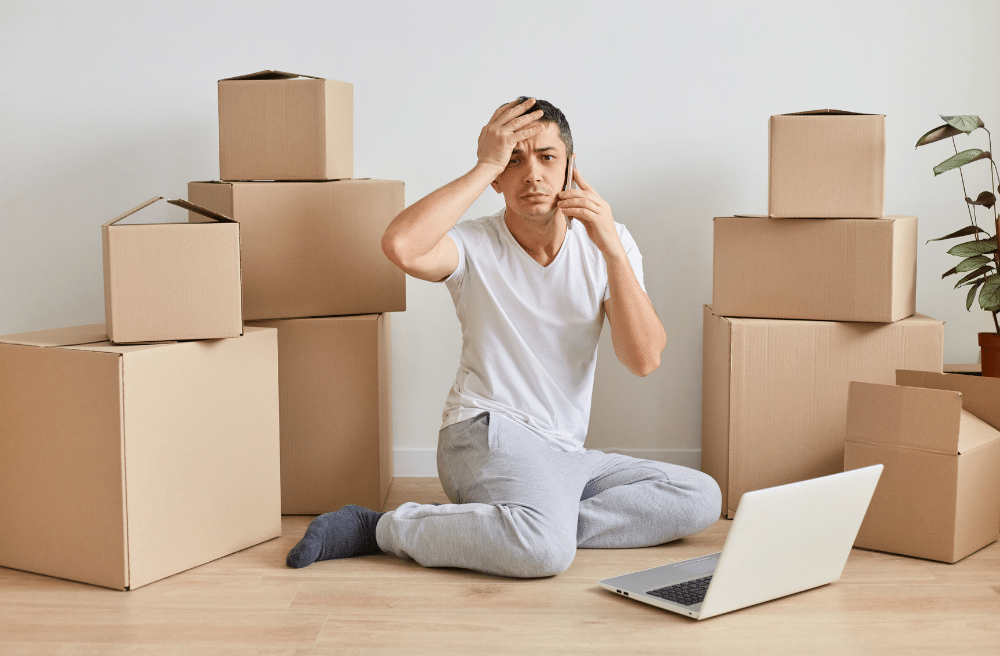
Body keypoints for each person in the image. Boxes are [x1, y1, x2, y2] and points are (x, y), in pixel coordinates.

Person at [285, 97, 721, 578]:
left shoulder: (609, 241)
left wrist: (613, 254)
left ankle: (530, 521)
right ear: (496, 179)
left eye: (547, 157)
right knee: (544, 553)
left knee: (700, 497)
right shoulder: (473, 245)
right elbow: (401, 246)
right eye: (514, 160)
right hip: (483, 433)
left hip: (564, 454)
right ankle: (380, 528)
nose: (532, 174)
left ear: (571, 167)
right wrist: (485, 162)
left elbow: (643, 359)